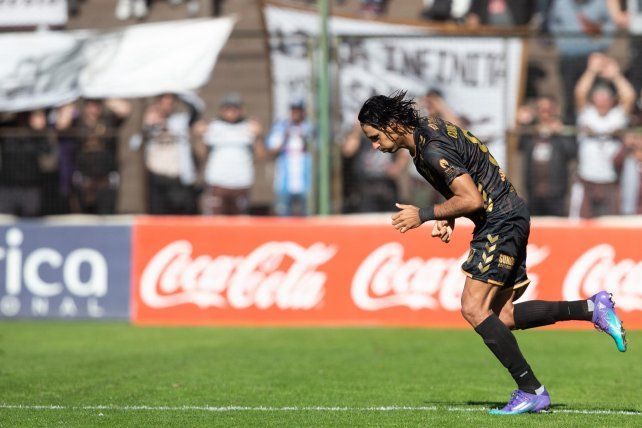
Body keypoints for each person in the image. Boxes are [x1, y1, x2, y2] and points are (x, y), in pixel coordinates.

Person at [357, 91, 627, 415]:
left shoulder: (430, 148)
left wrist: (425, 214)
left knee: (473, 307)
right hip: (509, 215)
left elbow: (471, 198)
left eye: (374, 137)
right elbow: (468, 172)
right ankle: (592, 308)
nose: (375, 146)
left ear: (391, 124)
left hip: (501, 221)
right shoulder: (429, 130)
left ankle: (531, 390)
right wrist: (448, 216)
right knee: (503, 316)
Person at [571, 53, 636, 218]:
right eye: (598, 97)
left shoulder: (616, 116)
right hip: (587, 179)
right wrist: (591, 71)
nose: (601, 101)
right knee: (583, 222)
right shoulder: (587, 114)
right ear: (593, 99)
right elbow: (579, 92)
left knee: (611, 222)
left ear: (611, 100)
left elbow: (629, 96)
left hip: (610, 180)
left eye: (605, 98)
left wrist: (616, 76)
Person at [202, 93, 264, 215]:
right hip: (217, 181)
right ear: (222, 110)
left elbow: (261, 154)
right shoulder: (213, 127)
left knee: (239, 220)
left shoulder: (249, 127)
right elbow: (201, 154)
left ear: (241, 110)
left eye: (235, 108)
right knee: (216, 219)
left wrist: (258, 136)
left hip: (241, 182)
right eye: (228, 108)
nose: (231, 112)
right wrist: (199, 137)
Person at [139, 93, 200, 215]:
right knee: (158, 219)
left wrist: (180, 92)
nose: (167, 104)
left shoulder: (181, 120)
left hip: (178, 178)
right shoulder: (150, 121)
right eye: (164, 101)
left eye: (170, 101)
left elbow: (197, 109)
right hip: (157, 178)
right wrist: (146, 126)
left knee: (182, 218)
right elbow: (135, 145)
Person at [517, 96, 576, 216]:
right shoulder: (531, 131)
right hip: (534, 191)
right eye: (541, 110)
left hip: (555, 191)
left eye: (548, 110)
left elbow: (571, 152)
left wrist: (560, 133)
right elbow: (520, 146)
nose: (545, 114)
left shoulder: (562, 129)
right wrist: (524, 124)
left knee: (556, 223)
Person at [341, 123, 406, 213]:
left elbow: (403, 152)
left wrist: (397, 167)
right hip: (365, 189)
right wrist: (357, 131)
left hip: (386, 187)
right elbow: (348, 150)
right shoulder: (361, 138)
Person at [266, 100, 315, 217]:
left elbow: (319, 148)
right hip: (284, 183)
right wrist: (285, 135)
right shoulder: (280, 127)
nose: (296, 113)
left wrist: (305, 138)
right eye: (294, 110)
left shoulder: (309, 128)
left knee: (306, 216)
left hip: (305, 183)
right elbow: (271, 149)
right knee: (284, 216)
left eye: (299, 110)